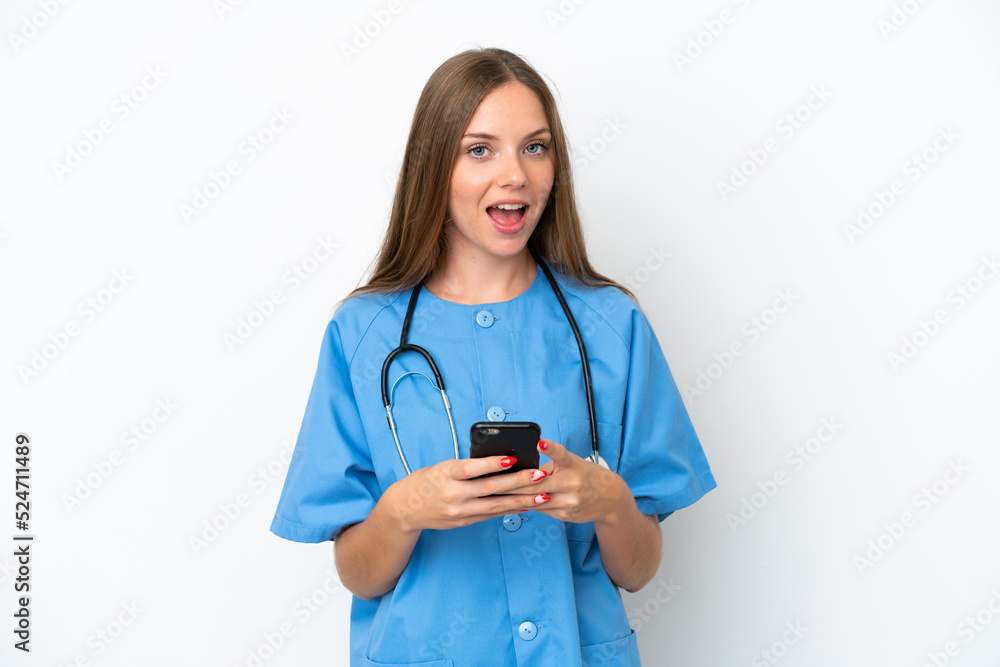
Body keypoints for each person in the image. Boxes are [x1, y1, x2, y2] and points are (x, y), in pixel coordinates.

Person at [269, 47, 716, 666]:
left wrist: (609, 502)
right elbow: (359, 574)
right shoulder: (362, 333)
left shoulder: (612, 326)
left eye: (535, 147)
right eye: (480, 149)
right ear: (434, 167)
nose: (516, 175)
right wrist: (403, 510)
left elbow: (638, 570)